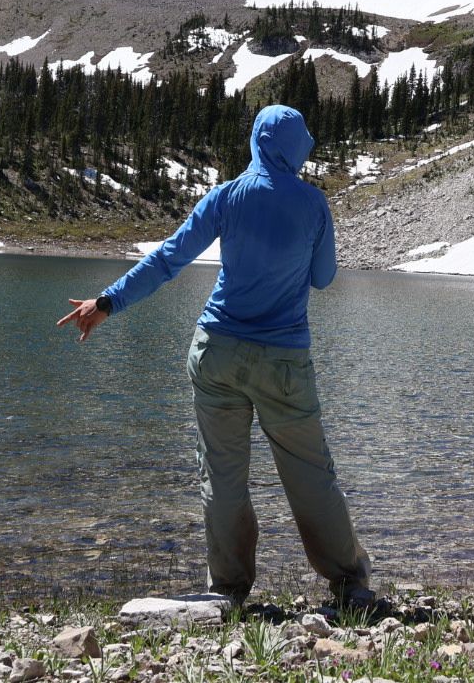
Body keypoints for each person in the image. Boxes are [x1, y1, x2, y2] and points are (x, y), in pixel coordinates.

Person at [57, 104, 374, 609]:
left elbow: (169, 258)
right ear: (296, 148)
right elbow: (323, 278)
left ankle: (228, 589)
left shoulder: (227, 196)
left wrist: (108, 302)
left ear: (255, 141)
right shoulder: (314, 205)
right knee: (311, 473)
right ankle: (348, 583)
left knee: (222, 475)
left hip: (216, 352)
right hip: (283, 361)